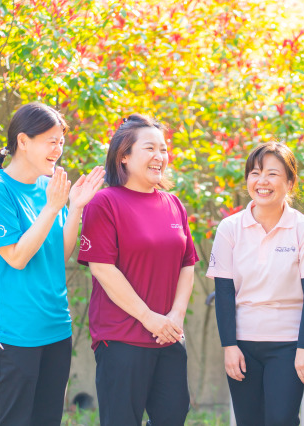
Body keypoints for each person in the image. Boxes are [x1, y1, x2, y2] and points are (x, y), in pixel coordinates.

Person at [0, 102, 105, 426]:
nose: (58, 149)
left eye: (61, 141)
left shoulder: (49, 188)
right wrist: (51, 209)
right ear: (23, 141)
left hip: (56, 328)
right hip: (13, 334)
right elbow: (17, 258)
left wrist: (75, 207)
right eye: (51, 141)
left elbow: (60, 255)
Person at [77, 114, 198, 426]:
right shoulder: (104, 203)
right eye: (150, 149)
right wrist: (148, 318)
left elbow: (187, 264)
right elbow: (102, 268)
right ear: (124, 156)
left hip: (168, 336)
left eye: (163, 149)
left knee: (173, 417)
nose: (160, 156)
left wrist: (176, 317)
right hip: (121, 339)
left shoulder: (174, 204)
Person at [207, 142, 304, 426]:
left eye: (272, 174)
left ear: (290, 182)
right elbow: (224, 293)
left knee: (281, 419)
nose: (262, 181)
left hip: (289, 344)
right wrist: (229, 346)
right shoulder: (229, 228)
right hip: (242, 344)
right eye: (255, 173)